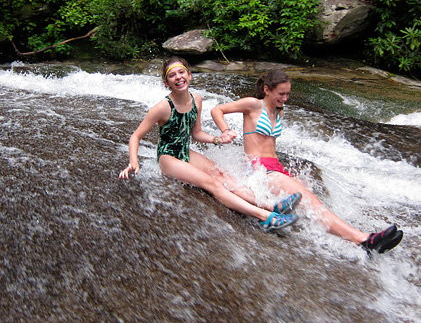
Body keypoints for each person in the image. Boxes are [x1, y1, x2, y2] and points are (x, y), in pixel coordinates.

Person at [211, 69, 404, 253]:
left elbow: (270, 145)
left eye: (287, 94)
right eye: (281, 94)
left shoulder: (279, 112)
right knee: (310, 200)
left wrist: (286, 173)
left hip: (274, 166)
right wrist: (225, 131)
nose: (285, 99)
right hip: (258, 168)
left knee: (305, 194)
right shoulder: (253, 104)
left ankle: (275, 219)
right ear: (267, 90)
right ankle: (362, 240)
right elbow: (217, 109)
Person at [119, 57, 301, 232]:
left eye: (181, 72)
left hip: (185, 151)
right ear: (167, 83)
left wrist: (217, 139)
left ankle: (270, 204)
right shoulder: (162, 107)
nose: (178, 77)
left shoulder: (196, 99)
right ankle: (265, 217)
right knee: (213, 183)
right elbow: (135, 137)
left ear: (189, 75)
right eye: (172, 75)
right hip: (168, 156)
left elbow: (196, 133)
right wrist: (133, 162)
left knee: (224, 174)